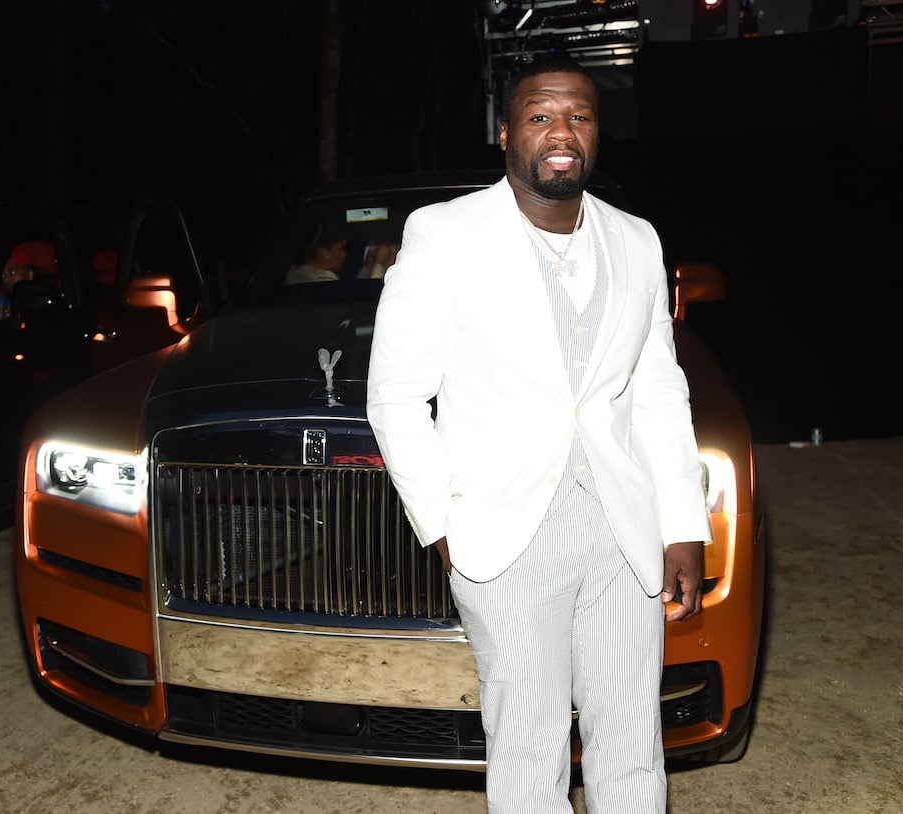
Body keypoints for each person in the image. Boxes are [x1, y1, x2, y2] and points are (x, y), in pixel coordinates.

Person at [366, 53, 711, 813]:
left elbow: (658, 389)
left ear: (598, 133)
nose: (561, 130)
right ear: (505, 132)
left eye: (580, 115)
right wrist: (443, 526)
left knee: (631, 742)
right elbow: (394, 396)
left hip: (623, 528)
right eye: (540, 115)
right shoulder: (444, 235)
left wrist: (684, 524)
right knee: (529, 747)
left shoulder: (638, 241)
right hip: (503, 537)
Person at [283, 233, 348, 284]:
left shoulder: (290, 274)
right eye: (341, 249)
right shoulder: (326, 282)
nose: (343, 255)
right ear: (325, 253)